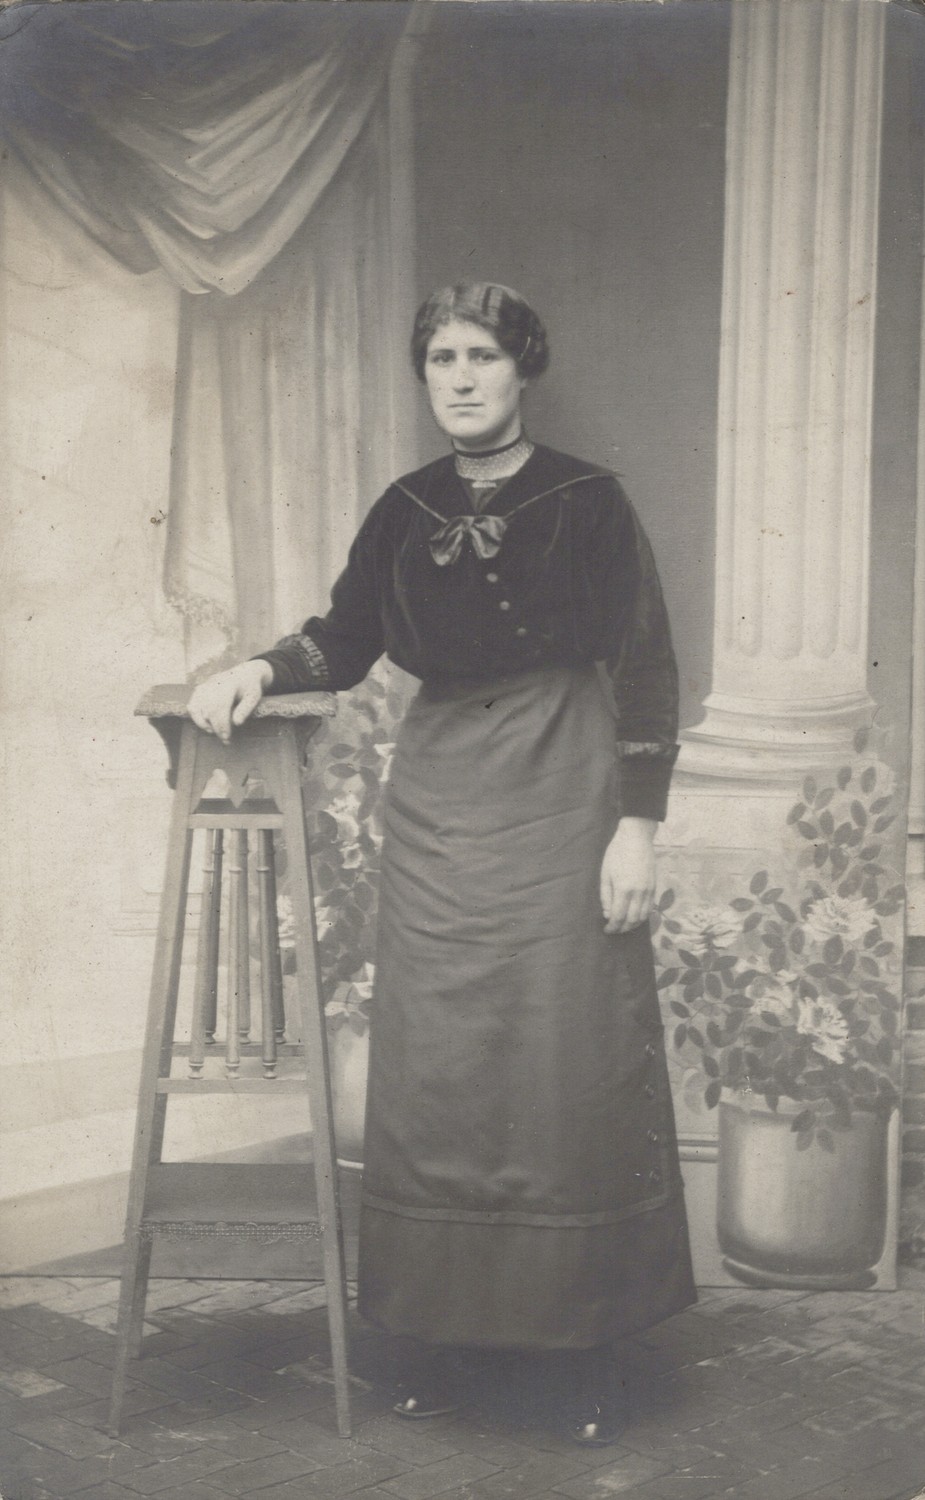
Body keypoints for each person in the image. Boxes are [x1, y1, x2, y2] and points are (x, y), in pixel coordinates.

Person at [189, 281, 696, 1444]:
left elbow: (646, 663)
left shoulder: (587, 501)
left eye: (482, 356)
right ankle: (442, 1337)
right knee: (445, 1070)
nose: (461, 379)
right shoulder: (402, 509)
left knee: (559, 1063)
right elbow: (344, 636)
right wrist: (258, 668)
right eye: (442, 360)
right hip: (439, 802)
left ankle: (578, 1353)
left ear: (523, 368)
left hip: (562, 785)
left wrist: (637, 826)